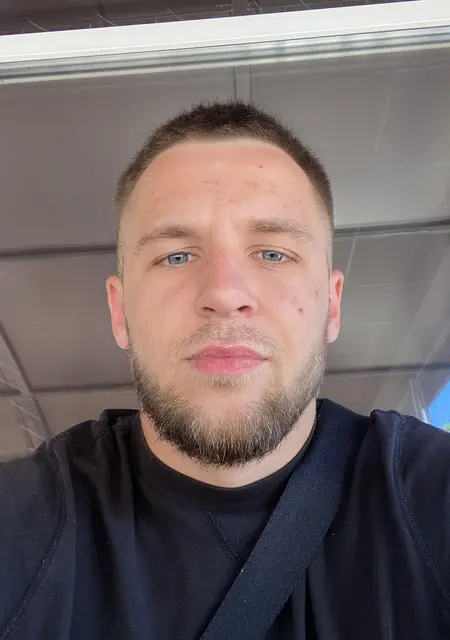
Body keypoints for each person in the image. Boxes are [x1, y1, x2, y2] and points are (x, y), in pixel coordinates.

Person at [0, 101, 449, 640]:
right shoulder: (23, 523)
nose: (224, 293)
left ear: (332, 306)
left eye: (273, 253)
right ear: (120, 312)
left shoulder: (429, 497)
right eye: (177, 256)